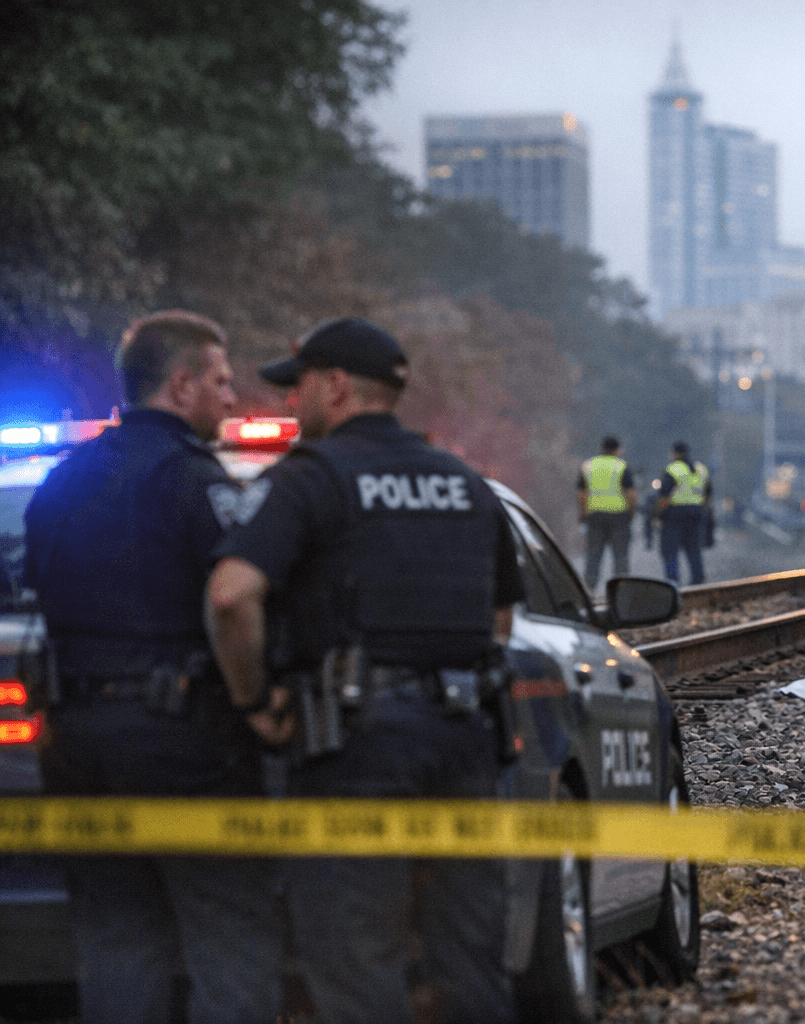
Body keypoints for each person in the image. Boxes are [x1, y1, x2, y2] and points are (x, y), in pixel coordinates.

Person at [205, 317, 520, 1024]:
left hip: (356, 743)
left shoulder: (313, 478)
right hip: (466, 738)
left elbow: (231, 595)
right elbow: (499, 623)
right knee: (469, 951)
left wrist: (254, 698)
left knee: (355, 955)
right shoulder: (466, 482)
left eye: (300, 387)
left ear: (336, 386)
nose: (293, 404)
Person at [23, 310, 285, 1024]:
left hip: (75, 739)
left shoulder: (61, 482)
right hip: (182, 739)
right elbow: (234, 604)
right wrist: (255, 698)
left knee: (116, 940)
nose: (232, 398)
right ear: (181, 384)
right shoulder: (190, 480)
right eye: (222, 381)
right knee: (229, 933)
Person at [577, 434, 637, 591]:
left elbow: (581, 494)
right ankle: (622, 593)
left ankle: (589, 592)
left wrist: (582, 514)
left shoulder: (588, 465)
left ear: (602, 449)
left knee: (593, 558)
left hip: (595, 517)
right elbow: (630, 493)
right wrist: (631, 512)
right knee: (621, 558)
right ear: (617, 450)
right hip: (619, 517)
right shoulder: (621, 466)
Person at [654, 440, 711, 585]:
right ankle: (698, 582)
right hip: (696, 513)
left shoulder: (673, 469)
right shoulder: (701, 469)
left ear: (675, 453)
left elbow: (663, 497)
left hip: (675, 515)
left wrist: (657, 515)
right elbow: (708, 493)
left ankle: (673, 582)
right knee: (694, 551)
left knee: (670, 551)